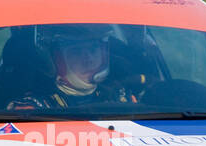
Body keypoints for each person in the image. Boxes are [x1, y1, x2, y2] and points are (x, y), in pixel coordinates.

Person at [7, 24, 137, 111]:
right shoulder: (32, 108)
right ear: (54, 60)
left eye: (93, 49)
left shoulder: (120, 97)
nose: (89, 59)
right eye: (76, 52)